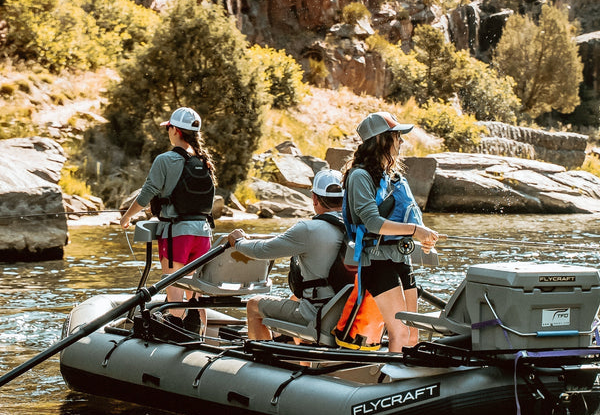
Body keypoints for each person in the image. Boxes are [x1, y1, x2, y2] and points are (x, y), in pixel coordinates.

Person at [341, 111, 439, 353]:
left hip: (400, 258)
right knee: (400, 332)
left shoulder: (392, 177)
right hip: (376, 261)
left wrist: (423, 238)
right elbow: (373, 223)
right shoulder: (359, 177)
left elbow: (405, 218)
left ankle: (406, 377)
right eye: (397, 136)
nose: (401, 141)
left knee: (413, 333)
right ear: (382, 140)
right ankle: (393, 384)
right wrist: (416, 230)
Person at [119, 107, 215, 333]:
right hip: (203, 233)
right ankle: (199, 336)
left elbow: (147, 193)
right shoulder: (204, 160)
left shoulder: (165, 159)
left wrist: (126, 216)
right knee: (195, 292)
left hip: (176, 234)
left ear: (176, 131)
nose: (168, 131)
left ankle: (176, 334)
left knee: (174, 287)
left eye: (169, 127)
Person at [228, 169, 350, 342]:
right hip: (350, 312)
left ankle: (263, 360)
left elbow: (262, 250)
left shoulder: (308, 229)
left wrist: (239, 242)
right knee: (298, 298)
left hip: (316, 314)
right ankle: (303, 360)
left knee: (254, 305)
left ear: (314, 198)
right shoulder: (357, 228)